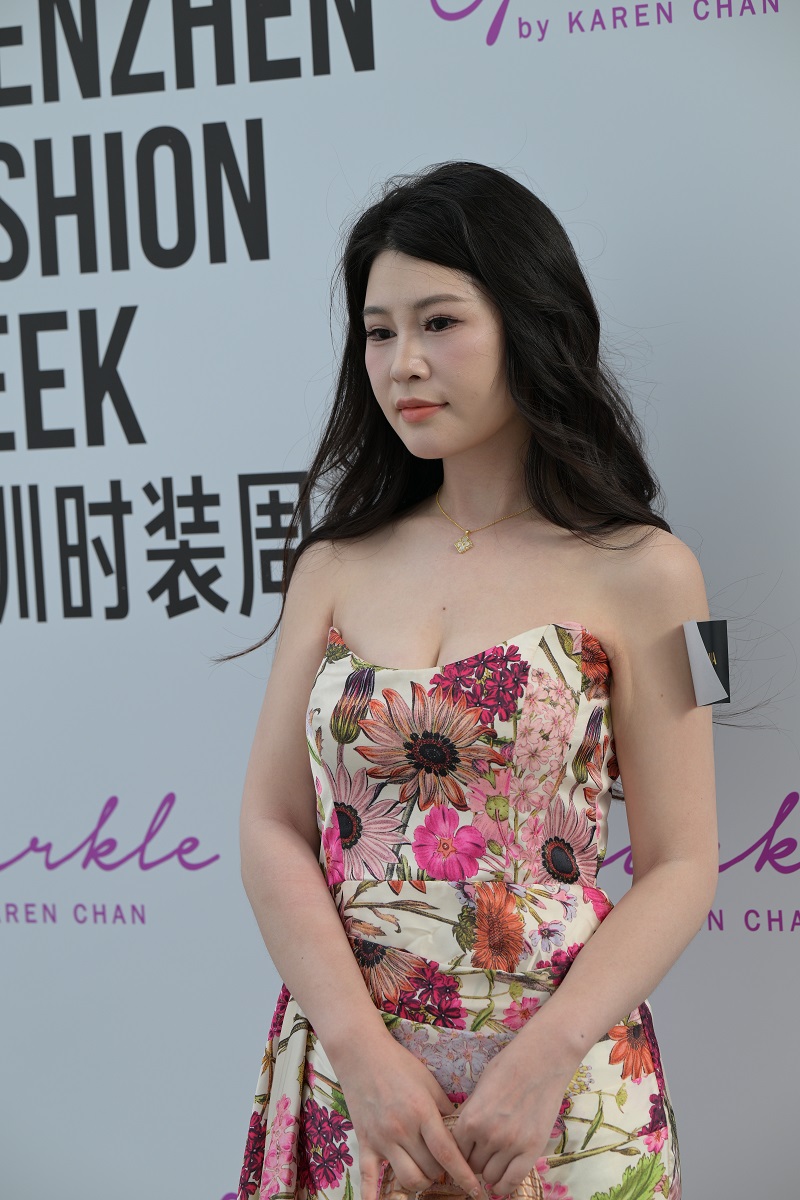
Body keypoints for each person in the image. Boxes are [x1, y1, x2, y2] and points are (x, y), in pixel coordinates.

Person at [232, 161, 718, 1200]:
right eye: (377, 332)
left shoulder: (652, 572)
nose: (402, 362)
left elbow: (683, 862)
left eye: (440, 321)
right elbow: (271, 823)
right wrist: (359, 1054)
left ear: (529, 323)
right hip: (359, 1099)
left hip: (559, 1100)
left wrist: (544, 1063)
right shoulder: (331, 566)